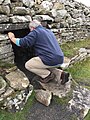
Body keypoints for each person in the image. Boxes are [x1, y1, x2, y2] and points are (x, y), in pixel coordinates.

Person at [8, 19, 69, 85]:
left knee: (28, 65)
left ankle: (47, 75)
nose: (30, 32)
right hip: (60, 59)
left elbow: (22, 42)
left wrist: (12, 38)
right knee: (42, 64)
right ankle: (61, 74)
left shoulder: (35, 32)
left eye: (30, 30)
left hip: (50, 59)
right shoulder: (48, 31)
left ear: (32, 28)